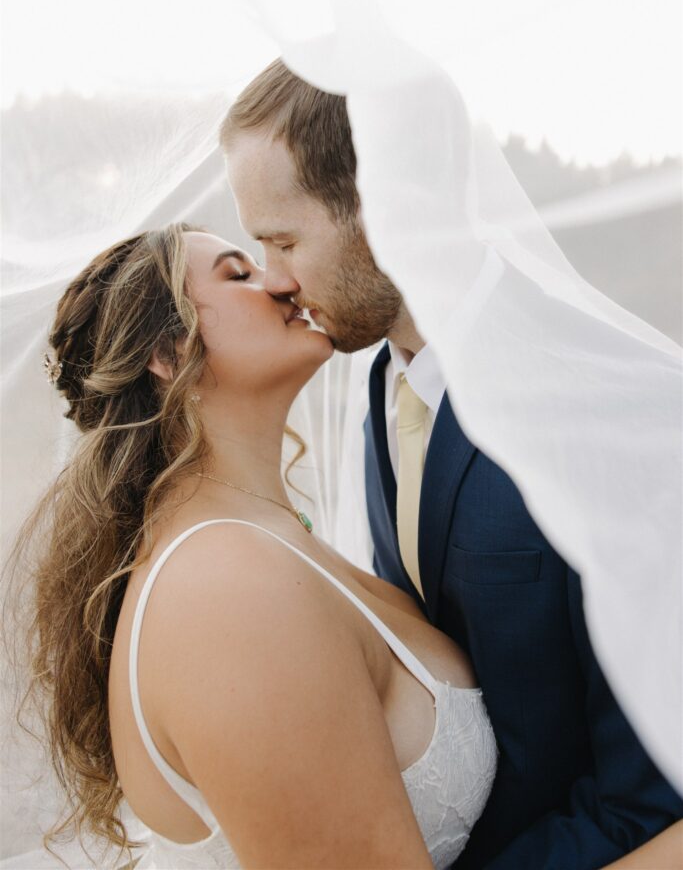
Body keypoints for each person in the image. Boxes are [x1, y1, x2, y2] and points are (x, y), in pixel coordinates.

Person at [222, 59, 683, 869]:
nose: (275, 282)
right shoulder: (380, 387)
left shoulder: (608, 408)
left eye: (283, 241)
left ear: (391, 207)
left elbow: (651, 787)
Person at [11, 223, 498, 870]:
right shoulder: (226, 588)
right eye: (239, 274)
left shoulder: (265, 543)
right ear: (167, 353)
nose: (281, 281)